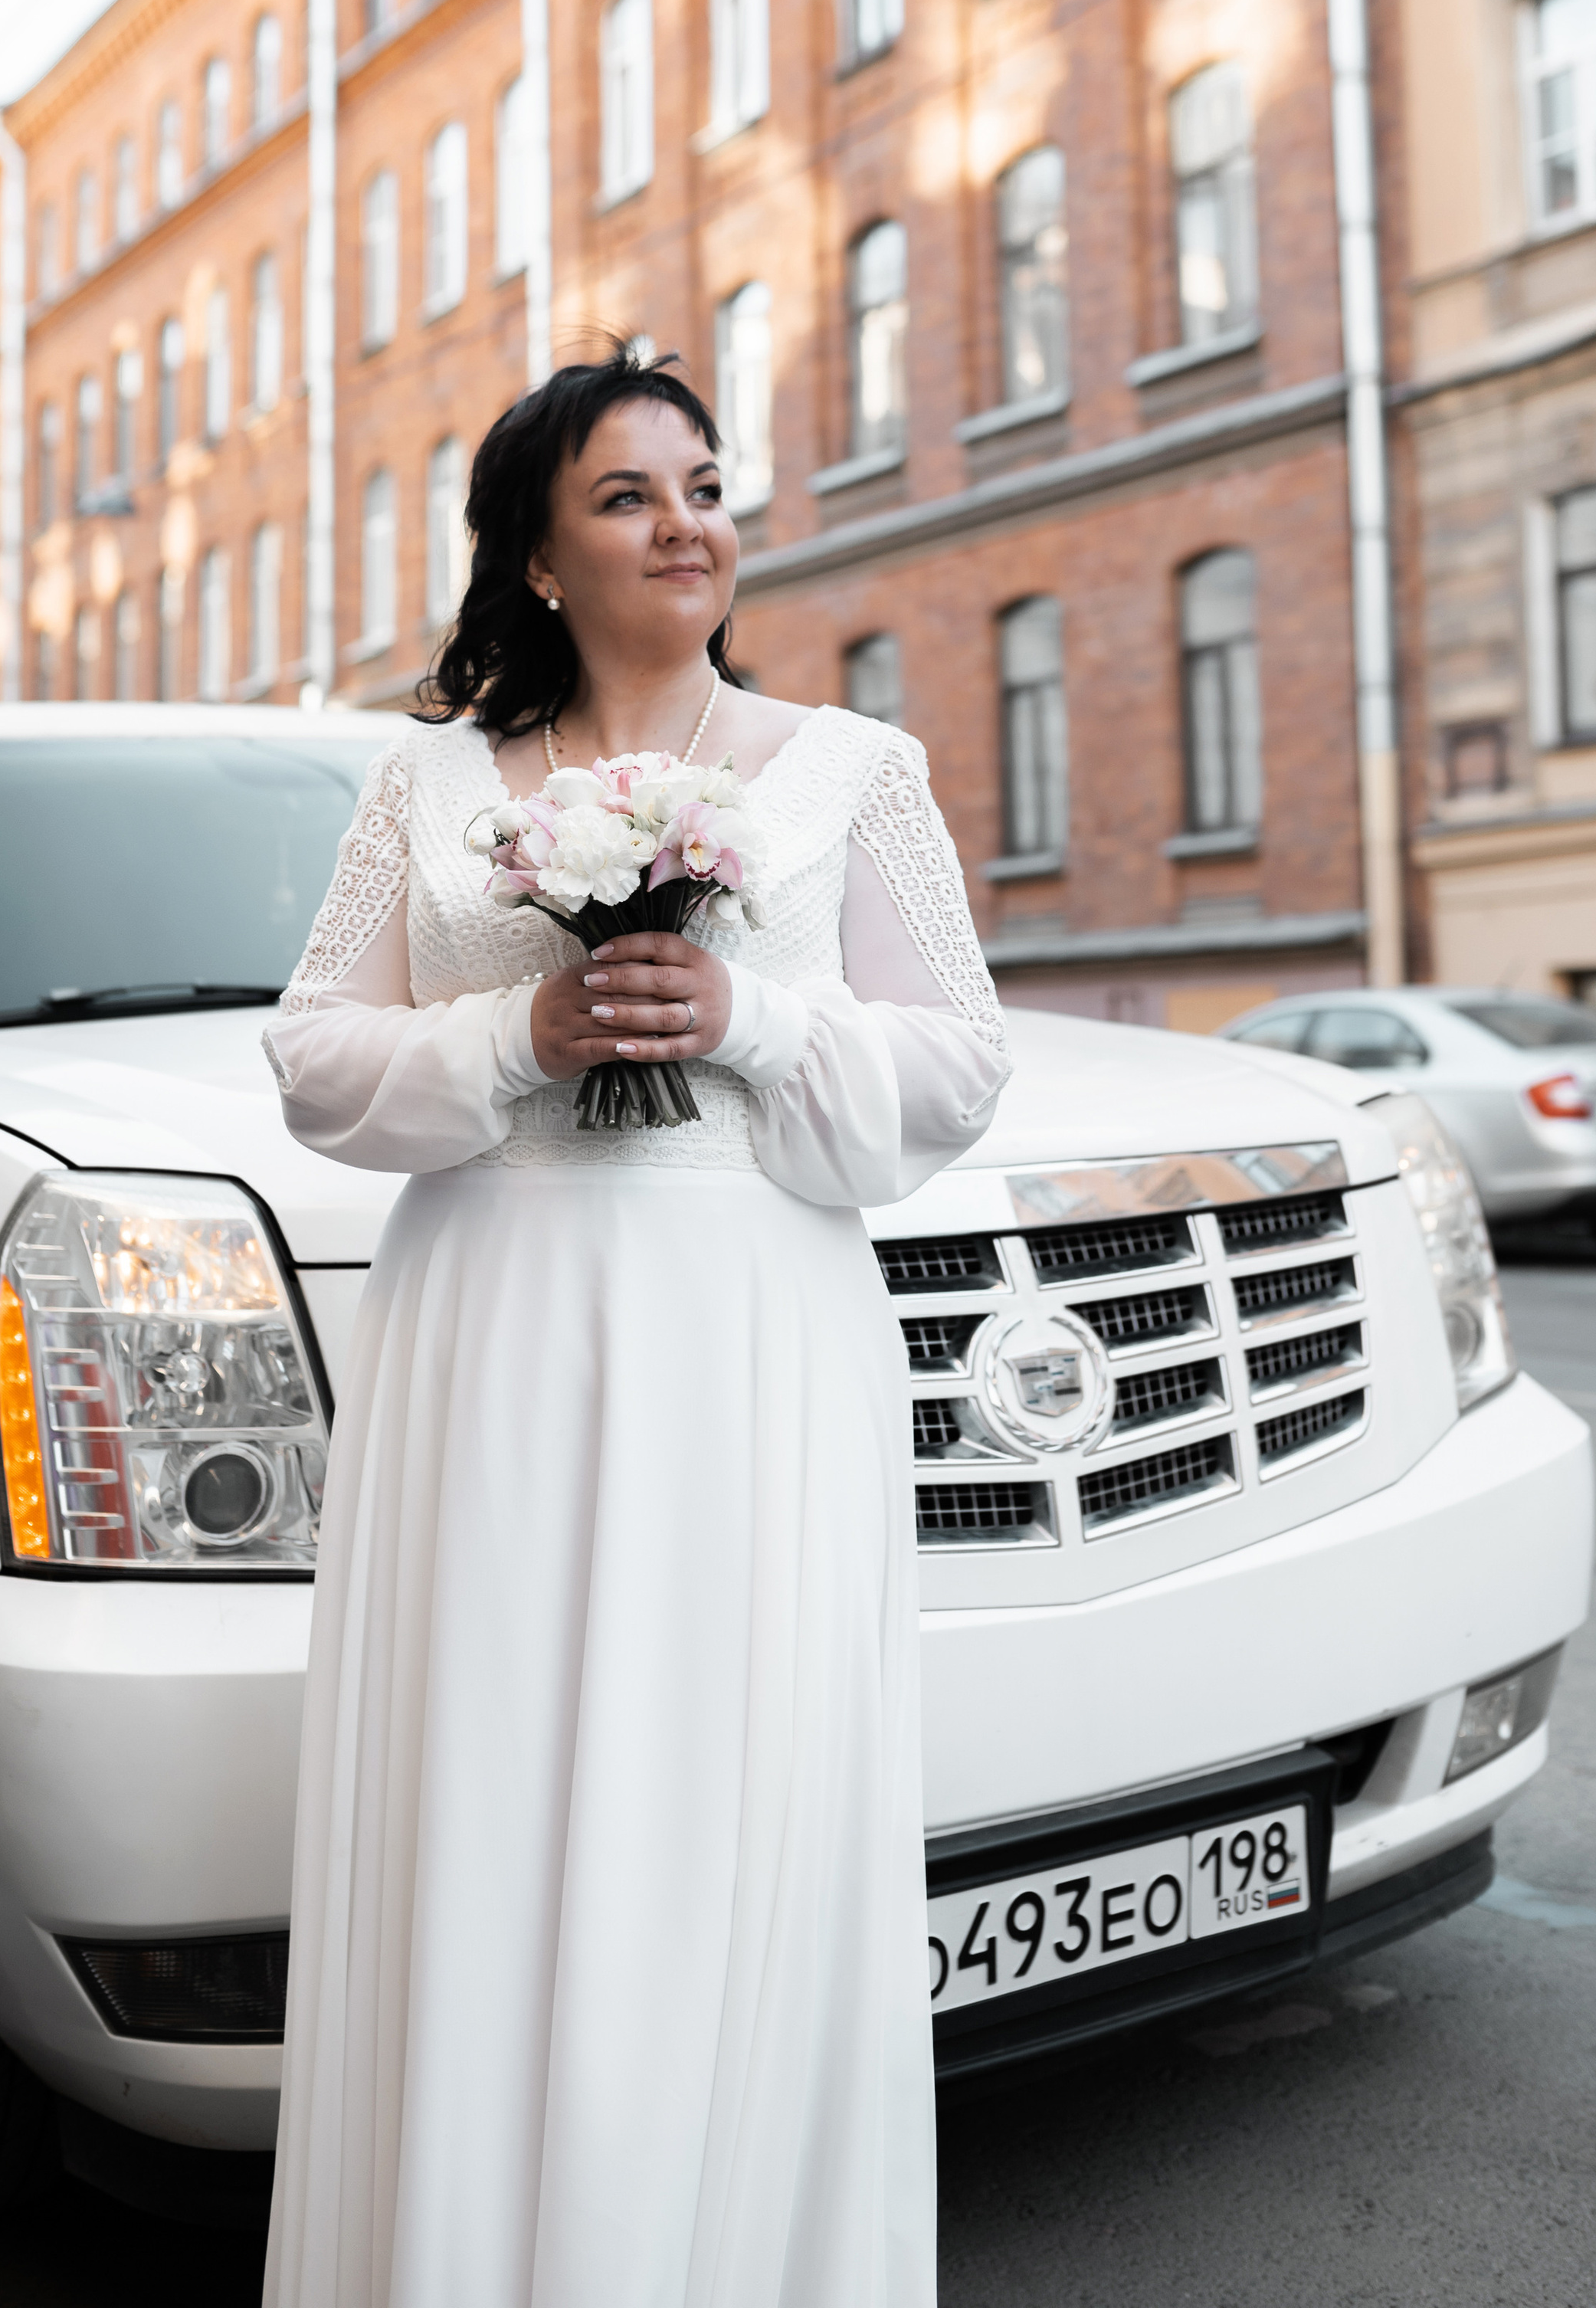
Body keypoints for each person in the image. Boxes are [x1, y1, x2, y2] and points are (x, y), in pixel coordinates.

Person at [261, 342, 1009, 2308]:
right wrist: (516, 1032)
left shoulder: (853, 772)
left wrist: (748, 1018)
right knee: (490, 1802)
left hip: (749, 1338)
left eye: (701, 486)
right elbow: (316, 1060)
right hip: (493, 1335)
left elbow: (955, 1069)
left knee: (728, 1805)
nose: (685, 524)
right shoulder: (425, 781)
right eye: (624, 495)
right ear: (532, 556)